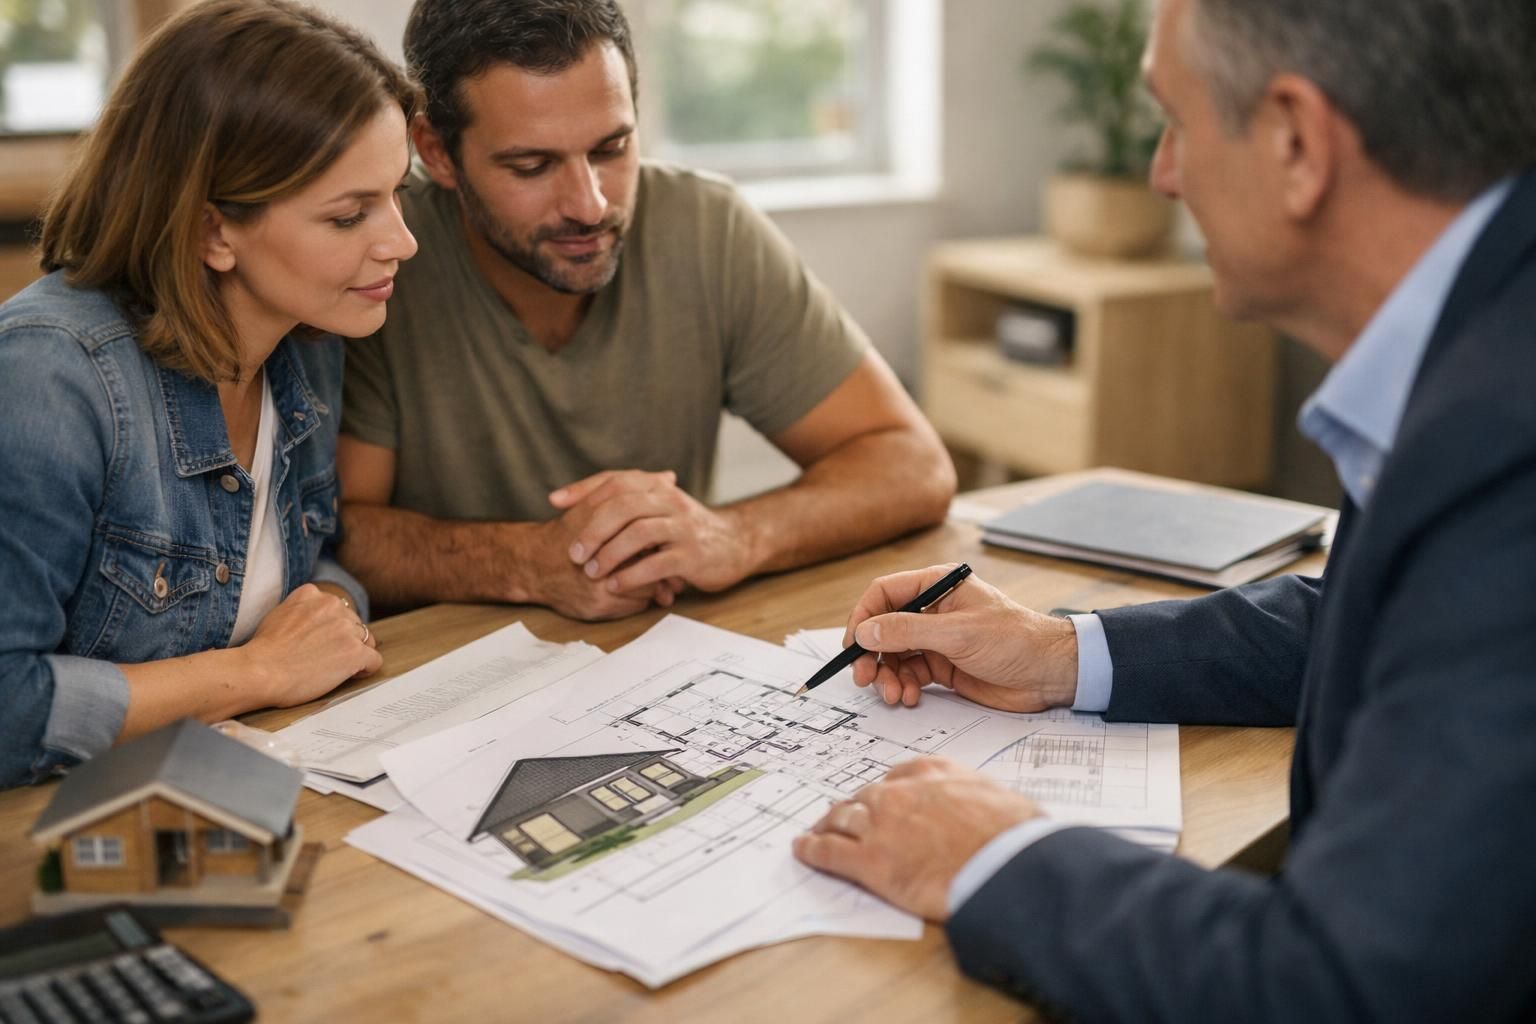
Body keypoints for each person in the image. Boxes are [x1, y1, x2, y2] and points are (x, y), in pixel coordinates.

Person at [793, 0, 1536, 1019]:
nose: (1161, 174)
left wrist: (995, 854)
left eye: (1176, 121)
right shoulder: (1488, 342)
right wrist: (1062, 652)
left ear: (1295, 141)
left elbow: (1342, 990)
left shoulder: (1505, 445)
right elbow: (1384, 616)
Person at [335, 0, 956, 622]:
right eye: (532, 166)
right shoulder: (379, 259)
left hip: (663, 647)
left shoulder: (706, 227)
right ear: (436, 152)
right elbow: (334, 532)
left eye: (611, 148)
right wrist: (524, 561)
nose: (589, 205)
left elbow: (913, 465)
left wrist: (735, 536)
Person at [0, 0, 421, 788]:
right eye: (349, 216)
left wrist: (331, 607)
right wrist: (258, 672)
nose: (402, 240)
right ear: (212, 233)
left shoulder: (308, 338)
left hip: (235, 781)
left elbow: (300, 566)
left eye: (397, 193)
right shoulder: (48, 379)